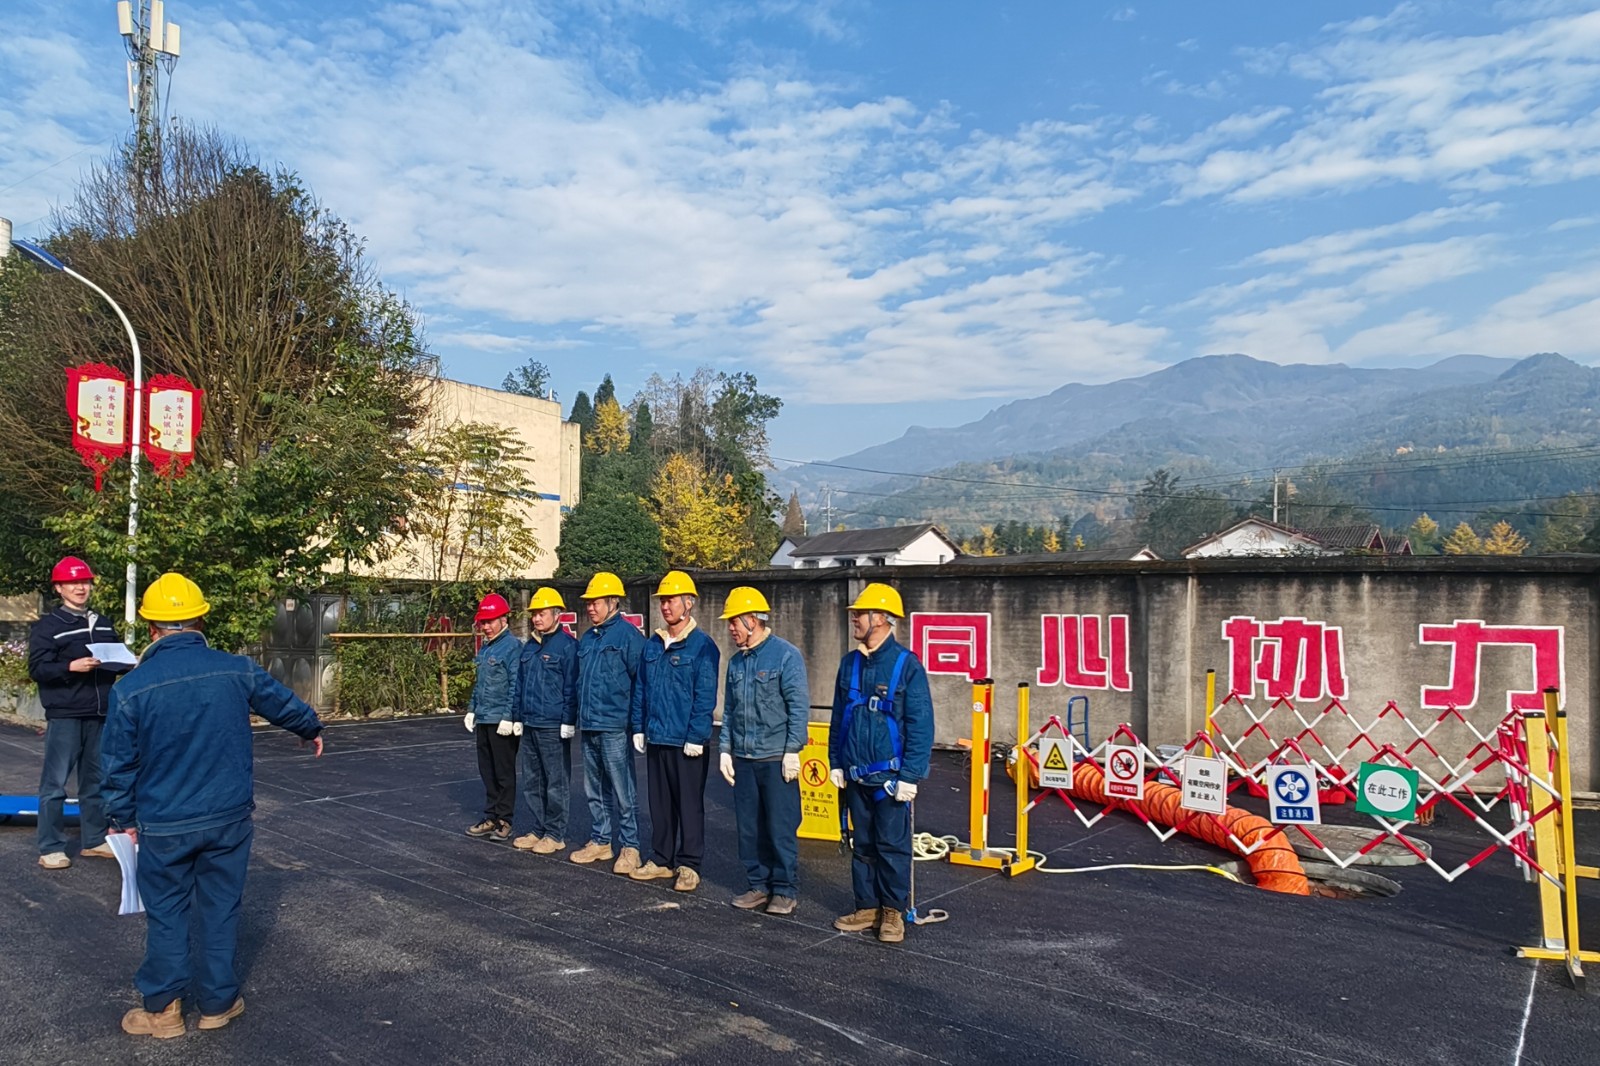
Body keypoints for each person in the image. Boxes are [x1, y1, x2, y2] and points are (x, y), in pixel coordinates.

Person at [101, 572, 324, 1039]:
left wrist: (121, 818)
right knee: (221, 907)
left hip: (163, 823)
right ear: (201, 620)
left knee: (167, 912)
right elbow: (281, 702)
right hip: (227, 816)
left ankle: (164, 1011)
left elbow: (118, 763)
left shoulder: (131, 688)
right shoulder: (235, 669)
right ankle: (218, 1004)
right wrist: (309, 727)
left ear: (152, 628)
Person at [828, 582, 934, 944]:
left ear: (881, 618)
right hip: (856, 774)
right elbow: (839, 717)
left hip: (889, 778)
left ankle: (892, 911)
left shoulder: (906, 665)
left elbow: (920, 724)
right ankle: (867, 906)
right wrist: (835, 761)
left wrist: (910, 775)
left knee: (891, 846)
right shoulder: (850, 664)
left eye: (860, 613)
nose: (854, 619)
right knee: (863, 845)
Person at [29, 556, 128, 870]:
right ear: (59, 588)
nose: (80, 587)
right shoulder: (48, 626)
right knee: (55, 784)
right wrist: (70, 667)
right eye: (72, 583)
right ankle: (50, 847)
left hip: (100, 713)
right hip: (66, 714)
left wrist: (128, 662)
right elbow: (38, 669)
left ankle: (94, 840)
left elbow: (114, 658)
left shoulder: (104, 623)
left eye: (84, 581)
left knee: (96, 781)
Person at [718, 587, 809, 915]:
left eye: (734, 621)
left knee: (780, 827)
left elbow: (798, 706)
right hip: (745, 758)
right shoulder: (736, 663)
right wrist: (725, 749)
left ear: (752, 620)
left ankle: (784, 889)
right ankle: (758, 885)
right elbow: (729, 710)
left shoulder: (785, 656)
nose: (731, 628)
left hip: (775, 759)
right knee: (750, 828)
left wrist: (793, 750)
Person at [629, 571, 720, 892]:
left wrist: (697, 736)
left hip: (686, 742)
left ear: (688, 603)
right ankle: (661, 859)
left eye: (671, 600)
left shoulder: (702, 646)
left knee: (689, 805)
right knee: (660, 804)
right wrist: (638, 727)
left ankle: (689, 864)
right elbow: (641, 688)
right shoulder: (653, 644)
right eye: (663, 601)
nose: (665, 606)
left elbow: (705, 695)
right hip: (657, 736)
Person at [570, 572, 647, 875]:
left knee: (622, 788)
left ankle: (631, 846)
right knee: (594, 787)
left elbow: (641, 683)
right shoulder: (588, 638)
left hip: (615, 724)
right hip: (589, 723)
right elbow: (580, 680)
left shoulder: (628, 637)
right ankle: (601, 840)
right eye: (589, 603)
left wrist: (638, 725)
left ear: (613, 601)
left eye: (597, 602)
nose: (591, 607)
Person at [512, 587, 578, 855]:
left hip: (552, 725)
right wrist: (516, 716)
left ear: (557, 614)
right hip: (530, 723)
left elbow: (571, 686)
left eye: (542, 613)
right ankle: (539, 828)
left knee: (555, 782)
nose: (537, 618)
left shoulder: (567, 646)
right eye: (535, 614)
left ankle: (555, 833)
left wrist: (568, 720)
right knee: (532, 781)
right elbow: (519, 684)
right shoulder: (530, 646)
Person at [463, 592, 522, 842]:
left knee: (504, 773)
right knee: (487, 770)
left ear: (503, 620)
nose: (486, 627)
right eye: (483, 622)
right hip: (485, 718)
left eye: (490, 621)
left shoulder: (512, 647)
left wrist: (510, 716)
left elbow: (515, 684)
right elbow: (480, 684)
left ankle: (505, 819)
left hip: (501, 720)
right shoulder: (486, 648)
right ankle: (491, 816)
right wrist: (472, 709)